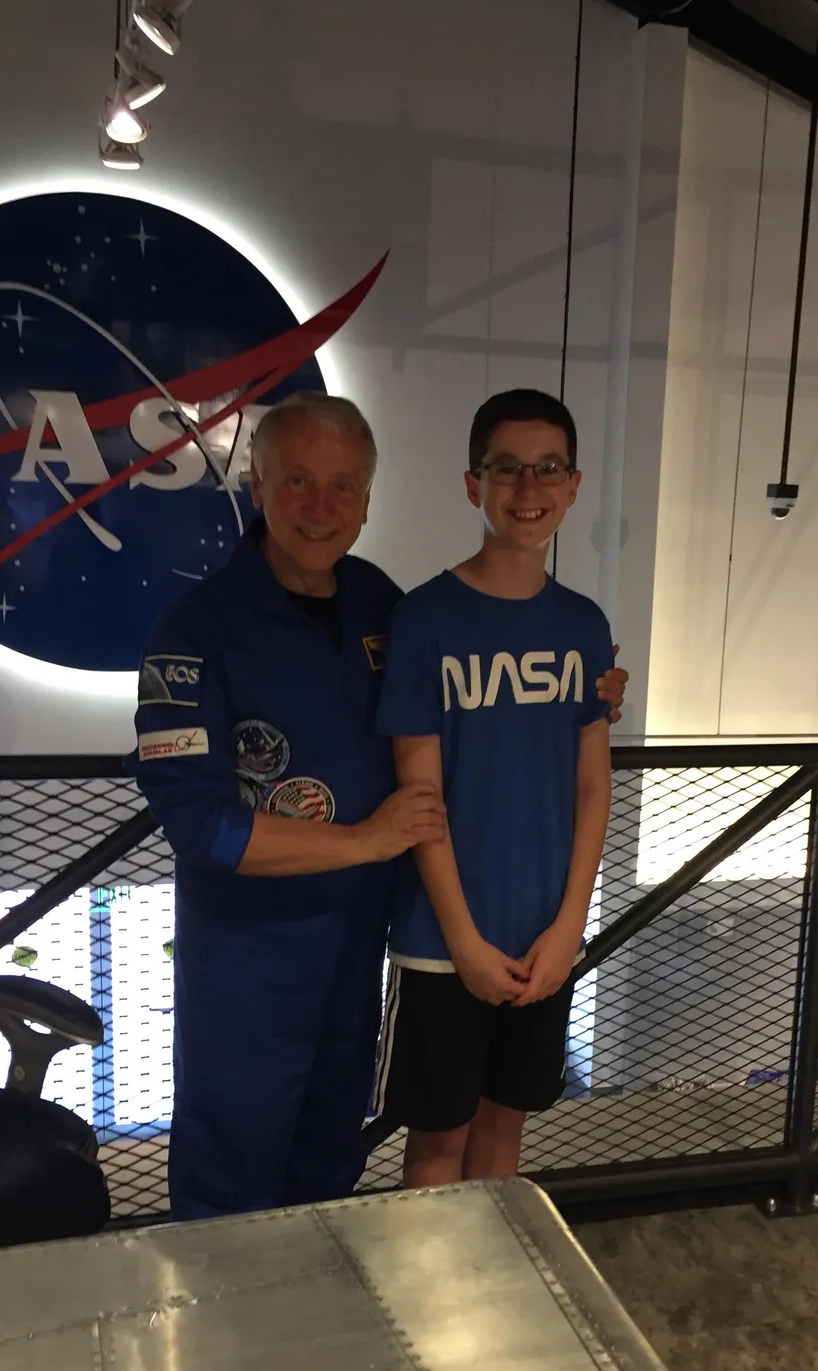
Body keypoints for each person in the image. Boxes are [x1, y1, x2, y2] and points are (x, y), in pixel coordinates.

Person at [129, 391, 625, 1220]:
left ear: (366, 499)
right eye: (297, 483)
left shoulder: (380, 606)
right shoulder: (194, 630)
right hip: (249, 961)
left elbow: (478, 680)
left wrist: (593, 692)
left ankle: (325, 1330)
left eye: (343, 488)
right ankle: (229, 1344)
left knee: (332, 1155)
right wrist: (368, 840)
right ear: (257, 484)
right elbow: (199, 826)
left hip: (360, 947)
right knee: (231, 1173)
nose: (320, 509)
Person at [374, 389, 613, 1189]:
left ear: (574, 485)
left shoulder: (583, 625)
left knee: (505, 1129)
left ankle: (482, 1307)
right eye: (506, 470)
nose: (528, 489)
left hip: (543, 940)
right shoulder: (425, 620)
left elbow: (591, 785)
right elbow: (419, 797)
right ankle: (424, 1309)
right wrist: (465, 943)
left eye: (547, 470)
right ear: (472, 484)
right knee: (438, 1143)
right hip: (445, 946)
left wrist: (570, 926)